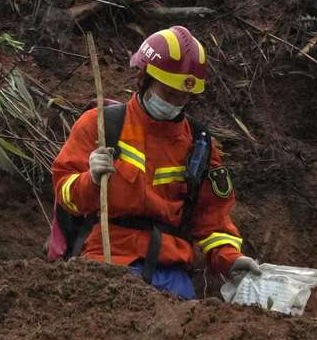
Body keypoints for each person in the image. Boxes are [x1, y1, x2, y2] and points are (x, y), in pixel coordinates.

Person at [52, 25, 261, 297]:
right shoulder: (101, 125)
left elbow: (211, 217)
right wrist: (90, 180)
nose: (176, 102)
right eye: (169, 92)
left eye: (183, 96)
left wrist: (230, 258)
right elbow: (64, 193)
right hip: (106, 262)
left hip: (172, 271)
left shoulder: (199, 144)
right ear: (145, 78)